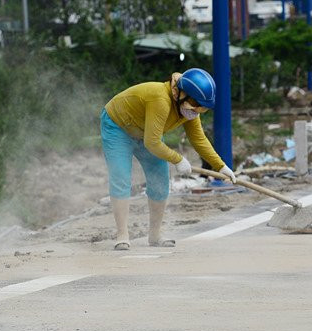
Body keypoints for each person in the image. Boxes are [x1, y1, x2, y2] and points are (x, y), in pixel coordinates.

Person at [101, 68, 236, 251]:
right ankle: (122, 235)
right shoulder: (161, 99)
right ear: (181, 94)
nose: (198, 111)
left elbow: (198, 139)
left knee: (160, 179)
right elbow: (153, 143)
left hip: (146, 132)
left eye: (202, 108)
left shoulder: (188, 109)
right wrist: (178, 159)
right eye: (196, 105)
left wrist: (220, 166)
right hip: (118, 127)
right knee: (121, 178)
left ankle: (155, 235)